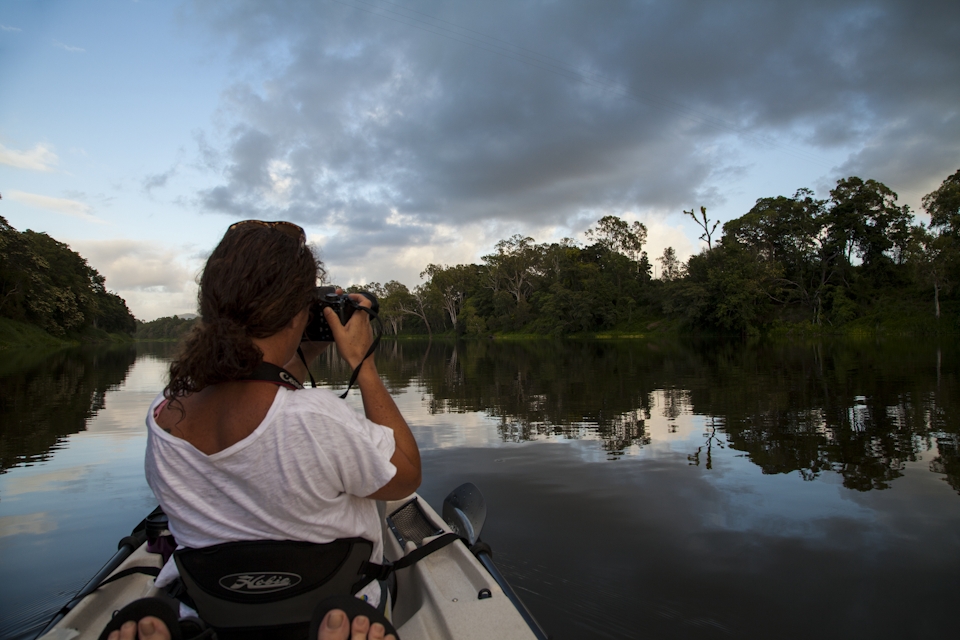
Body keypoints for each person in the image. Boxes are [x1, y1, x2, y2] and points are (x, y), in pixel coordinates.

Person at [140, 220, 420, 634]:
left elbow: (266, 406)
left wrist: (299, 349)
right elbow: (405, 477)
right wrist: (365, 367)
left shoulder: (164, 416)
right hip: (328, 605)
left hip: (218, 610)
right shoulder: (315, 418)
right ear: (297, 315)